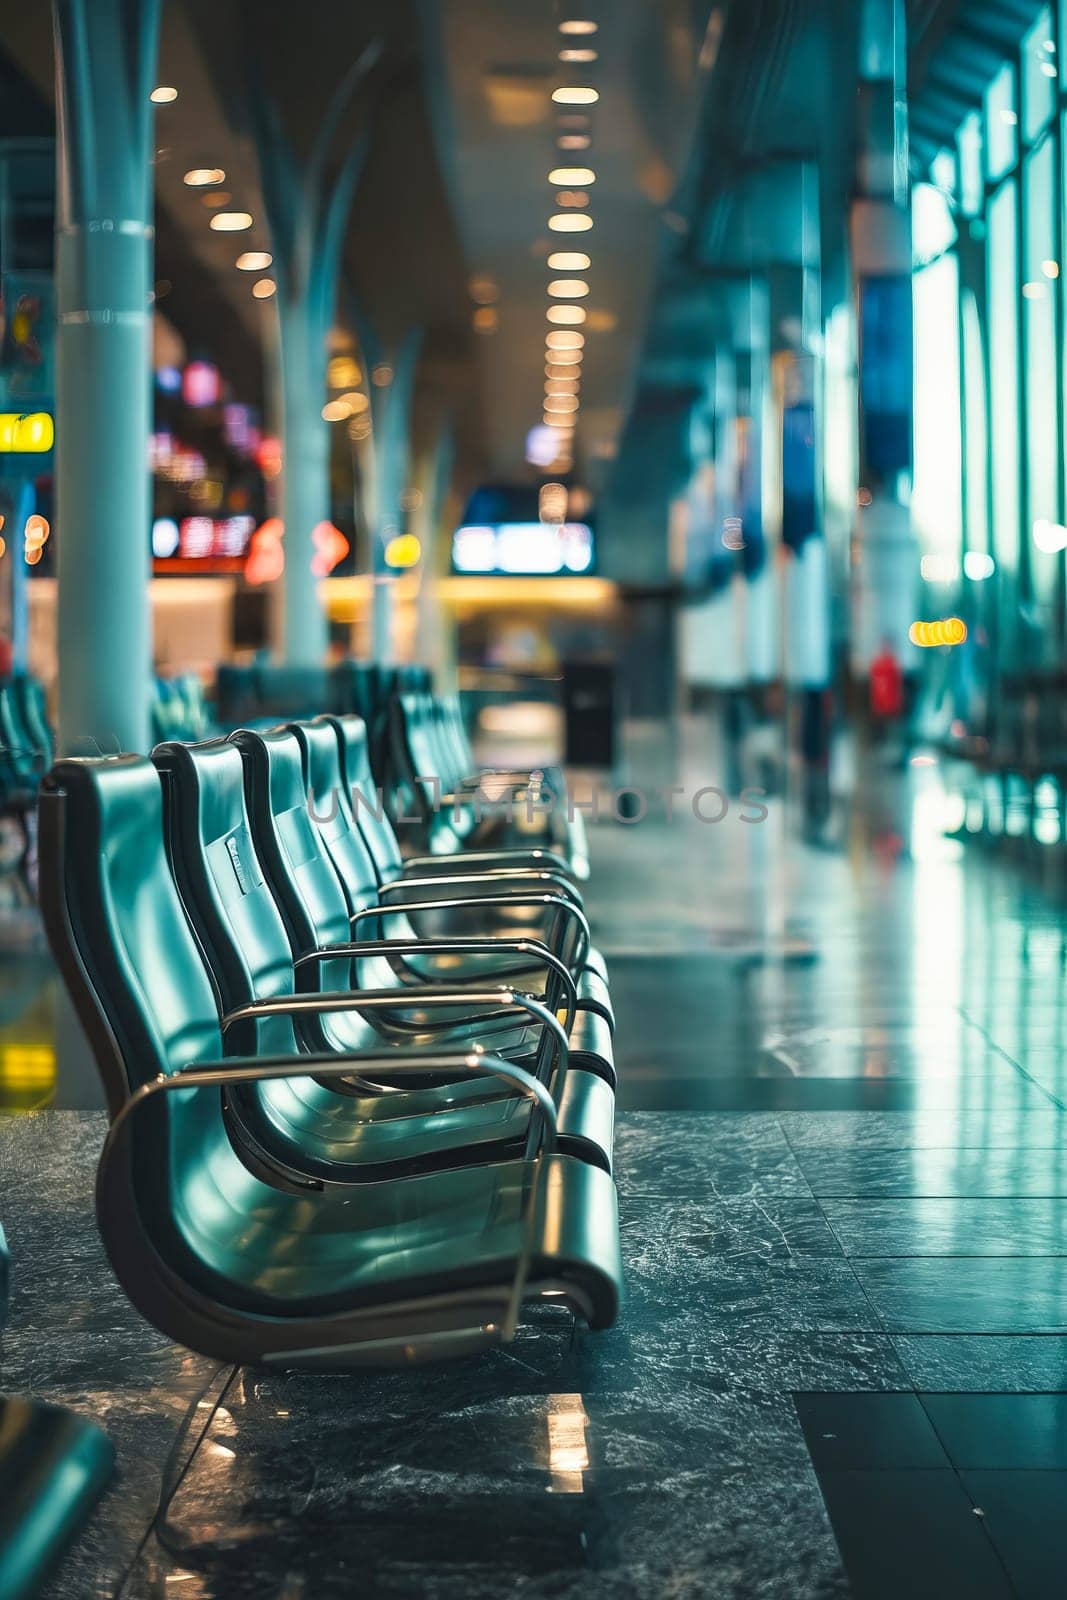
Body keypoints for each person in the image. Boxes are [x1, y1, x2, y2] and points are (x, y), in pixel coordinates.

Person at [868, 635, 903, 740]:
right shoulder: (878, 664)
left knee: (890, 728)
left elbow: (896, 685)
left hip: (891, 705)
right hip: (880, 704)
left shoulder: (892, 664)